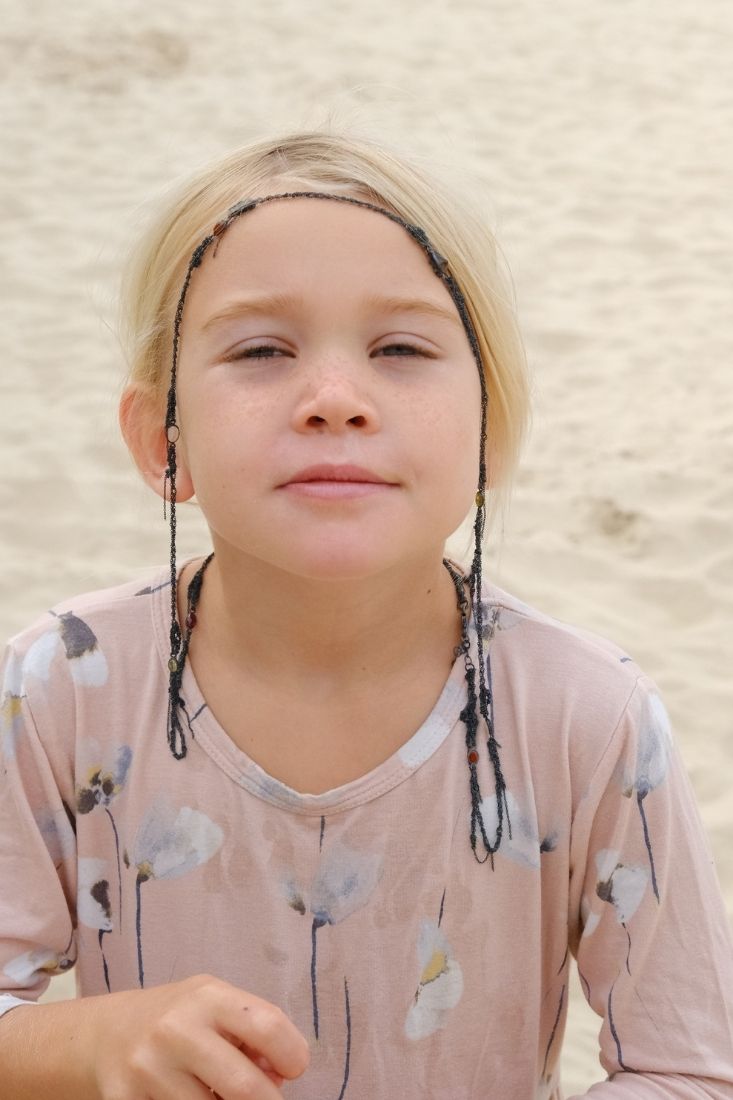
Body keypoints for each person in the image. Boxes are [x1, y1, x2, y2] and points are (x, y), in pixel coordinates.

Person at [0, 130, 731, 1100]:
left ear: (490, 427)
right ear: (161, 438)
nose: (335, 400)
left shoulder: (586, 718)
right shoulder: (60, 688)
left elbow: (688, 1067)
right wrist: (87, 1043)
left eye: (400, 348)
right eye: (261, 349)